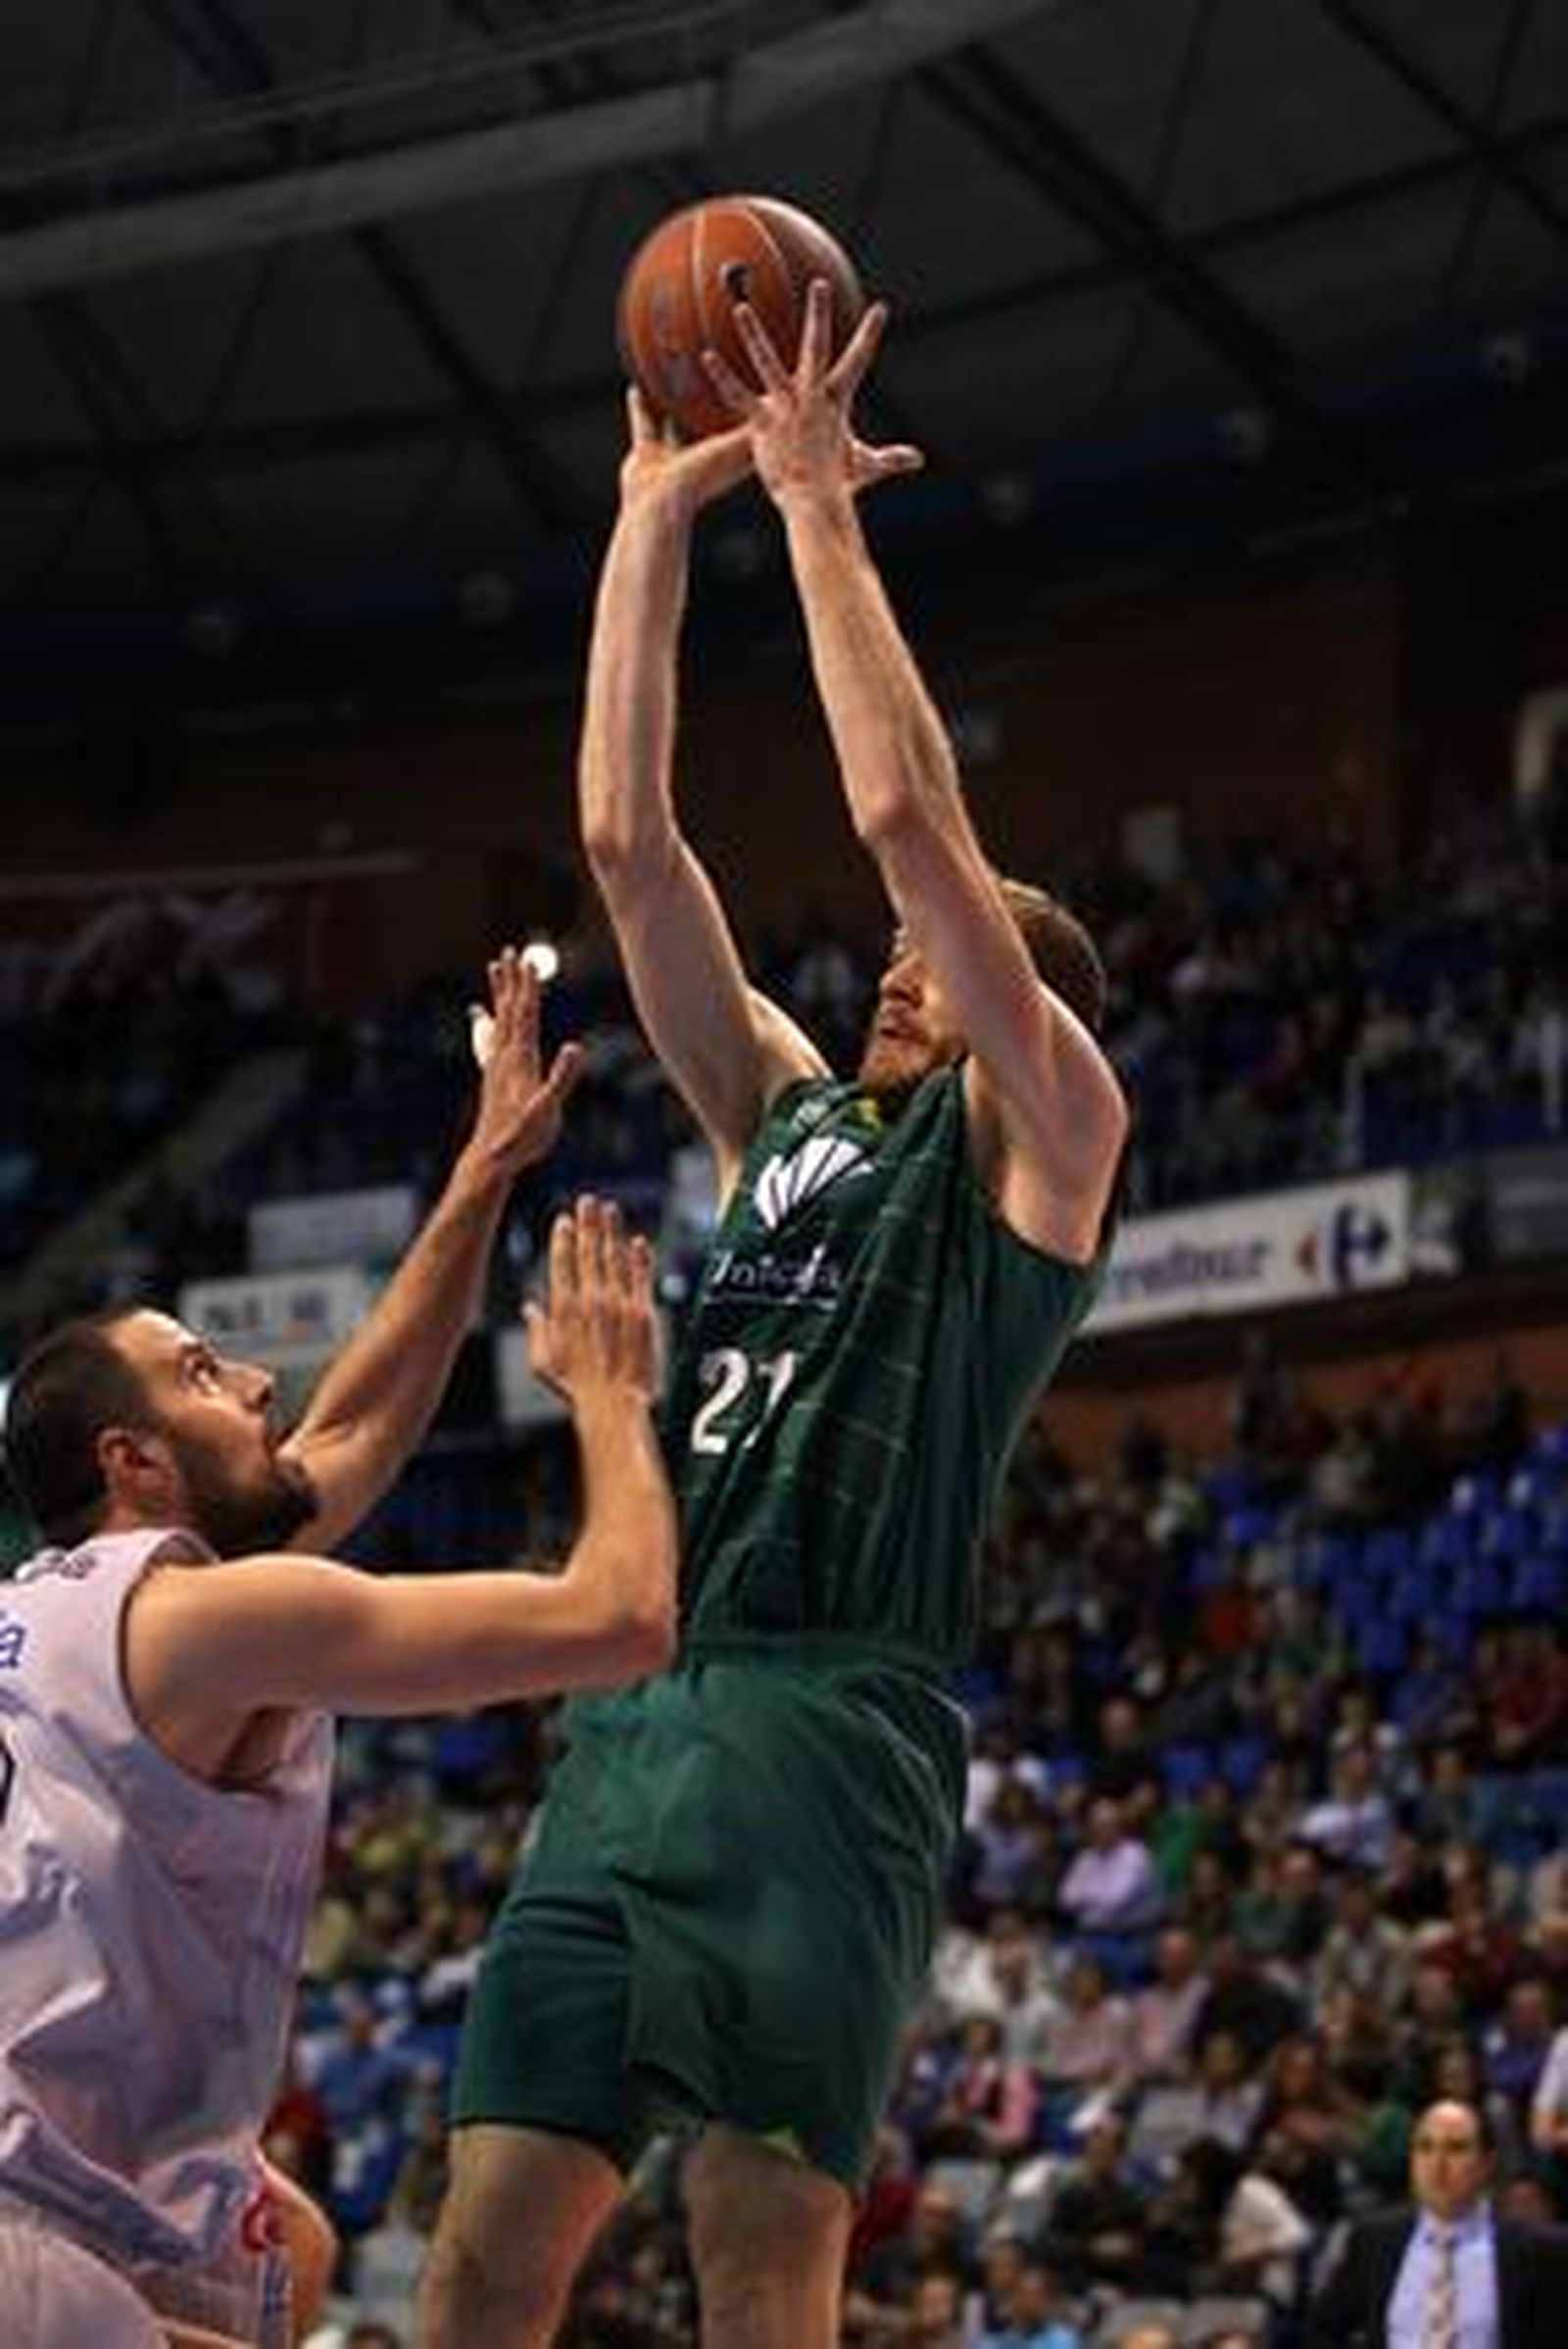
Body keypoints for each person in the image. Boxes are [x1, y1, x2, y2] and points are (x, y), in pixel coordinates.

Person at [422, 284, 1128, 2349]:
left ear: (1028, 1003)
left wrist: (819, 505)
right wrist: (652, 520)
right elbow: (627, 852)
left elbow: (912, 828)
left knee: (760, 2262)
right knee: (479, 2261)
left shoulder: (1045, 1144)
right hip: (642, 1697)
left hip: (836, 1719)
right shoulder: (790, 1115)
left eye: (959, 954)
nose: (909, 959)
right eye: (917, 951)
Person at [0, 950, 677, 2349]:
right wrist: (611, 1397)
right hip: (28, 2242)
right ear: (133, 1461)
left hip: (59, 2199)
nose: (254, 1379)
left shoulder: (67, 1609)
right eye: (201, 1372)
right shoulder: (203, 1618)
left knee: (284, 2246)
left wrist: (485, 1169)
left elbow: (352, 1437)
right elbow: (621, 1619)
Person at [1302, 2096, 1568, 2348]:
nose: (1437, 2164)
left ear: (1488, 2163)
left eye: (1456, 2148)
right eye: (1425, 2148)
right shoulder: (1374, 2240)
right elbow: (1322, 2330)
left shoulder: (1540, 2250)